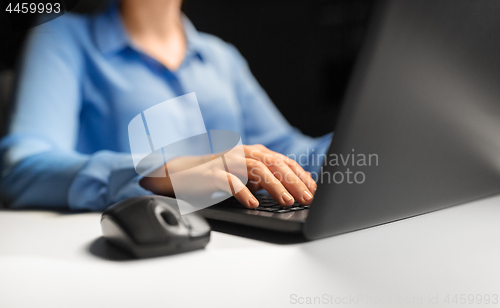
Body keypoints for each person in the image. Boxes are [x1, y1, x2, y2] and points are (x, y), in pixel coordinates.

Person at [0, 0, 332, 211]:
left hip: (243, 241)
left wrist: (365, 142)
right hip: (139, 249)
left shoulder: (220, 56)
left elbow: (286, 151)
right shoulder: (63, 37)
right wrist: (161, 172)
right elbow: (22, 167)